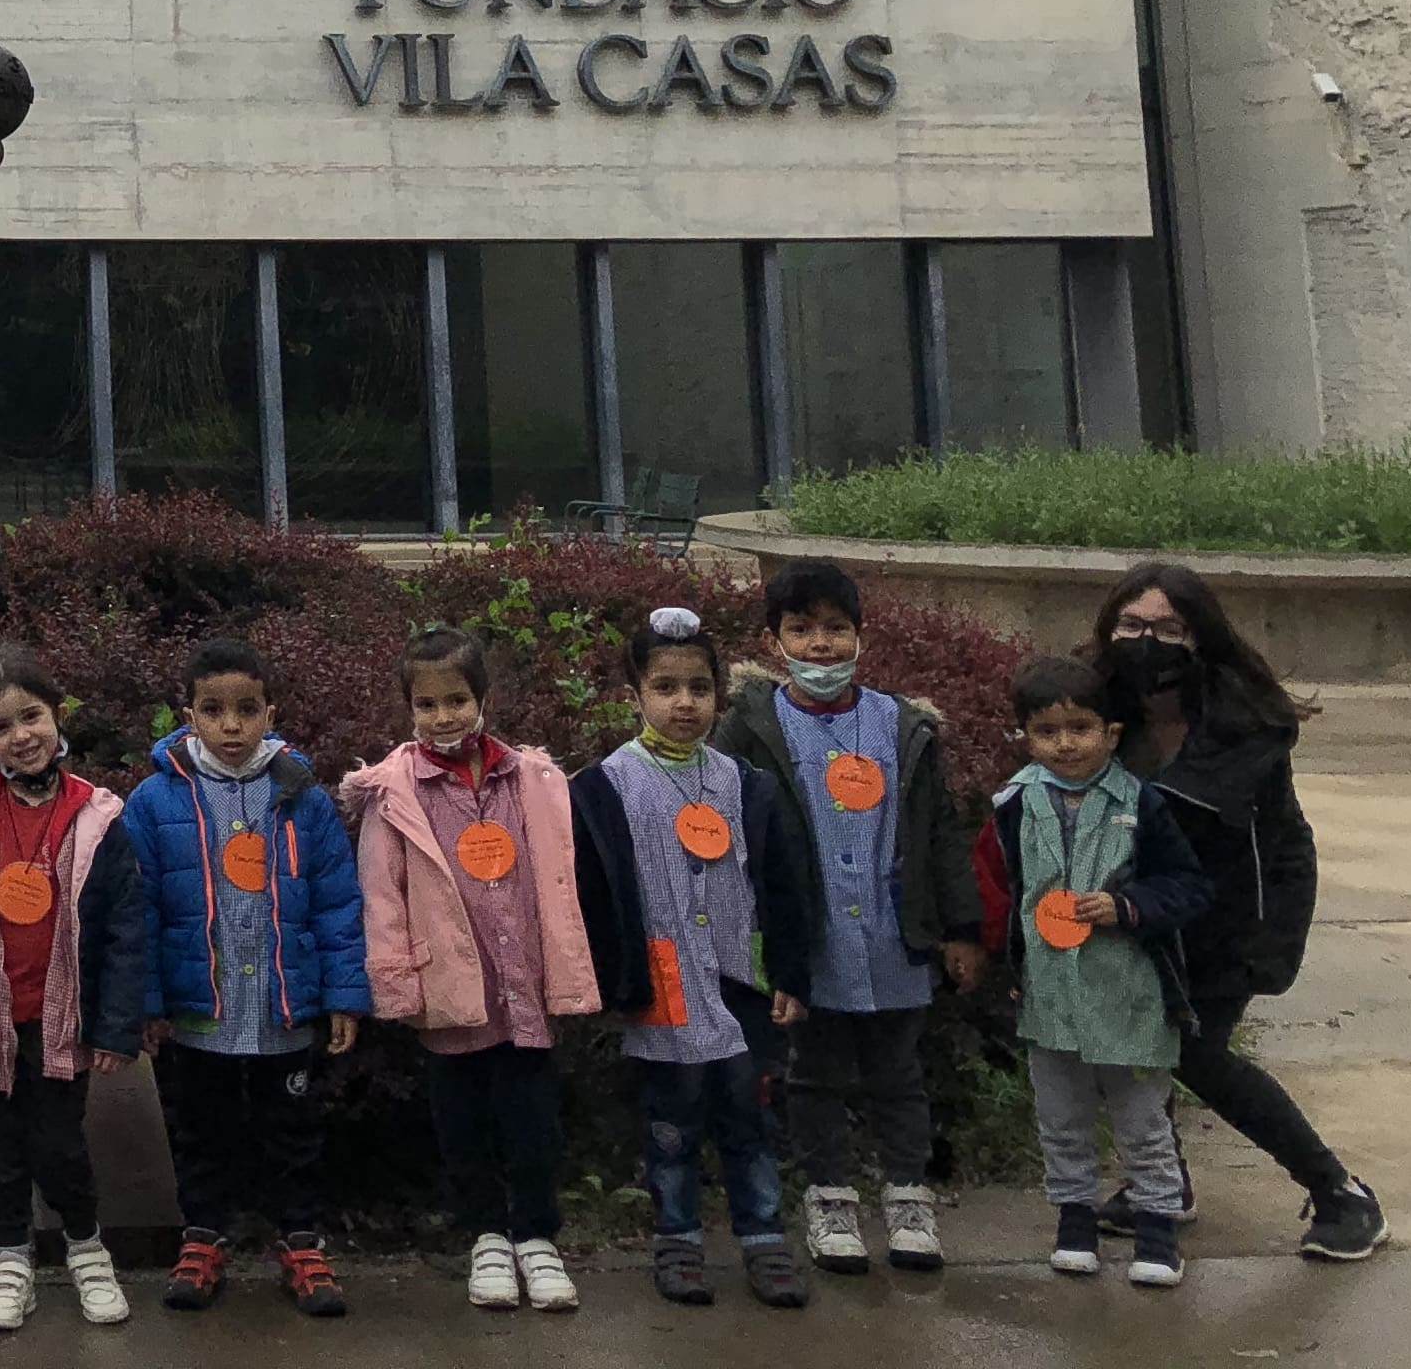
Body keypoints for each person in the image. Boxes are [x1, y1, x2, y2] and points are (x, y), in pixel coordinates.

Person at [1082, 562, 1387, 1261]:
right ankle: (1163, 1184)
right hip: (1131, 917)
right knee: (1131, 1050)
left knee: (1197, 1057)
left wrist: (1276, 942)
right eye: (1131, 624)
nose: (1147, 641)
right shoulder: (1094, 709)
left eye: (1168, 628)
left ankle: (1340, 1192)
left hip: (1225, 926)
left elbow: (1286, 842)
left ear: (1200, 637)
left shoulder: (1243, 727)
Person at [713, 559, 982, 1279]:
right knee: (814, 1074)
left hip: (894, 937)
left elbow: (940, 833)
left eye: (835, 629)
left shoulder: (903, 726)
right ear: (774, 642)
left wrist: (962, 929)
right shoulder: (752, 729)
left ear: (861, 635)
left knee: (899, 1074)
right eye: (802, 630)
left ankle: (908, 1197)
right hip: (811, 942)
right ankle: (830, 1199)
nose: (821, 646)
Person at [341, 622, 599, 1315]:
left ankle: (536, 1237)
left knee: (532, 1121)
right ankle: (486, 1235)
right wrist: (397, 984)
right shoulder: (394, 792)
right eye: (426, 704)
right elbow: (382, 894)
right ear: (409, 709)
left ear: (483, 697)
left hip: (525, 988)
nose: (443, 716)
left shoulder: (533, 779)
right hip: (450, 990)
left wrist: (570, 967)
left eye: (455, 699)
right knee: (464, 1123)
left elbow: (562, 878)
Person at [567, 604, 816, 1311]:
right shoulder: (603, 788)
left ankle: (764, 1239)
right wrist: (608, 982)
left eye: (700, 688)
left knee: (751, 1120)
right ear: (635, 695)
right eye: (666, 687)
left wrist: (790, 973)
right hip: (662, 987)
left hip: (741, 989)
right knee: (671, 1126)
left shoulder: (746, 785)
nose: (685, 703)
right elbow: (589, 895)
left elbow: (783, 887)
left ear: (719, 695)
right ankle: (676, 1240)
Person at [124, 632, 368, 1319]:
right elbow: (138, 909)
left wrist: (344, 994)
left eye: (246, 710)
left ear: (270, 713)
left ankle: (302, 1241)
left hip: (282, 1008)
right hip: (197, 1012)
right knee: (202, 1133)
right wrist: (145, 1003)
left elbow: (338, 900)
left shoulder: (302, 798)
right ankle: (203, 1239)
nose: (230, 726)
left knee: (292, 1133)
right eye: (213, 710)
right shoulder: (154, 801)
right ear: (188, 715)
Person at [0, 643, 147, 1331]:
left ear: (58, 713)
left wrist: (117, 1025)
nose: (22, 735)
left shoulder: (97, 815)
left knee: (59, 1145)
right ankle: (11, 1258)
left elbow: (125, 930)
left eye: (32, 715)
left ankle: (86, 1247)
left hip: (60, 1018)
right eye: (3, 725)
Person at [969, 653, 1213, 1289]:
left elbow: (1190, 886)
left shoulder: (1143, 803)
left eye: (1081, 728)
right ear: (1024, 736)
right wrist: (991, 956)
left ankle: (1157, 1229)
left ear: (1111, 733)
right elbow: (995, 888)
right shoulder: (1014, 805)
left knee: (1142, 1122)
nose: (1065, 744)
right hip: (1048, 995)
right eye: (1046, 731)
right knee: (1061, 1119)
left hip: (1129, 995)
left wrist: (1128, 907)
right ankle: (1074, 1223)